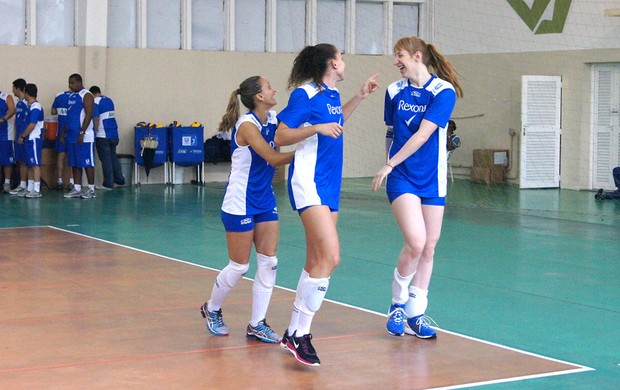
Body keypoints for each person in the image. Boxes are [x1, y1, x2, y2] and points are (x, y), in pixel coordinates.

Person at [274, 43, 379, 366]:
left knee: (316, 260)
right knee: (331, 257)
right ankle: (300, 334)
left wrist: (360, 96)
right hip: (310, 182)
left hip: (330, 185)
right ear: (332, 63)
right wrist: (316, 128)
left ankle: (293, 331)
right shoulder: (304, 95)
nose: (345, 62)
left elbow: (336, 121)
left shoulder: (331, 95)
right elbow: (280, 136)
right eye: (342, 58)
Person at [371, 36, 463, 340]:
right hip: (402, 177)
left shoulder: (443, 91)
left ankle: (416, 313)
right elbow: (392, 131)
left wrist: (389, 162)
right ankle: (397, 304)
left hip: (432, 178)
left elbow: (423, 135)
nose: (396, 61)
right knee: (416, 241)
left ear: (417, 56)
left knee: (430, 246)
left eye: (400, 55)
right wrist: (390, 164)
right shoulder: (393, 91)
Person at [199, 76, 295, 343]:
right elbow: (273, 158)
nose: (274, 88)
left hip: (264, 199)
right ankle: (212, 308)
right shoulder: (246, 125)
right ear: (259, 97)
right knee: (240, 266)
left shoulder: (274, 119)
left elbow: (307, 115)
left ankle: (257, 324)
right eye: (269, 87)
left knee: (269, 262)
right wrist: (309, 152)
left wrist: (357, 97)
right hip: (239, 203)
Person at [62, 74, 96, 199]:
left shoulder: (86, 95)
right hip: (71, 136)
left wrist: (82, 132)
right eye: (69, 83)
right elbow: (69, 116)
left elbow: (89, 114)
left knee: (87, 163)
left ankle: (91, 189)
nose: (70, 85)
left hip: (84, 136)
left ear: (79, 82)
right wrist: (63, 132)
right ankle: (77, 188)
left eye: (72, 83)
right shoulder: (71, 96)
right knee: (75, 163)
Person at [90, 86, 125, 190]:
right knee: (113, 157)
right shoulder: (109, 100)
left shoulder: (95, 101)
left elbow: (96, 118)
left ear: (92, 94)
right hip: (114, 134)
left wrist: (94, 132)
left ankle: (108, 184)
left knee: (106, 160)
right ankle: (119, 180)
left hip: (103, 135)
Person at [17, 83, 44, 198]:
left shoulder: (36, 107)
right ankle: (30, 188)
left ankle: (37, 190)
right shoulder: (29, 106)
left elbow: (32, 124)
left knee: (35, 164)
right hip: (28, 140)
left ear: (26, 92)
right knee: (29, 164)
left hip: (33, 139)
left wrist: (23, 136)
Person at [8, 79, 29, 196]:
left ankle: (26, 186)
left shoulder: (27, 103)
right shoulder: (19, 103)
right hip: (18, 137)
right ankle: (22, 185)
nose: (12, 90)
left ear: (17, 88)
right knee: (20, 161)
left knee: (26, 161)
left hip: (25, 137)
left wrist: (24, 135)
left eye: (13, 88)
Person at [51, 89, 74, 190]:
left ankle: (59, 180)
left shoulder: (59, 95)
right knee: (72, 156)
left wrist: (61, 111)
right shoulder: (77, 97)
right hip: (73, 129)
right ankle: (72, 181)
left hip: (60, 129)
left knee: (61, 155)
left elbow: (53, 111)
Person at [0, 87, 16, 193]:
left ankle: (7, 182)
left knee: (7, 161)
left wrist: (3, 118)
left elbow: (12, 110)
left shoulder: (6, 97)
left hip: (6, 134)